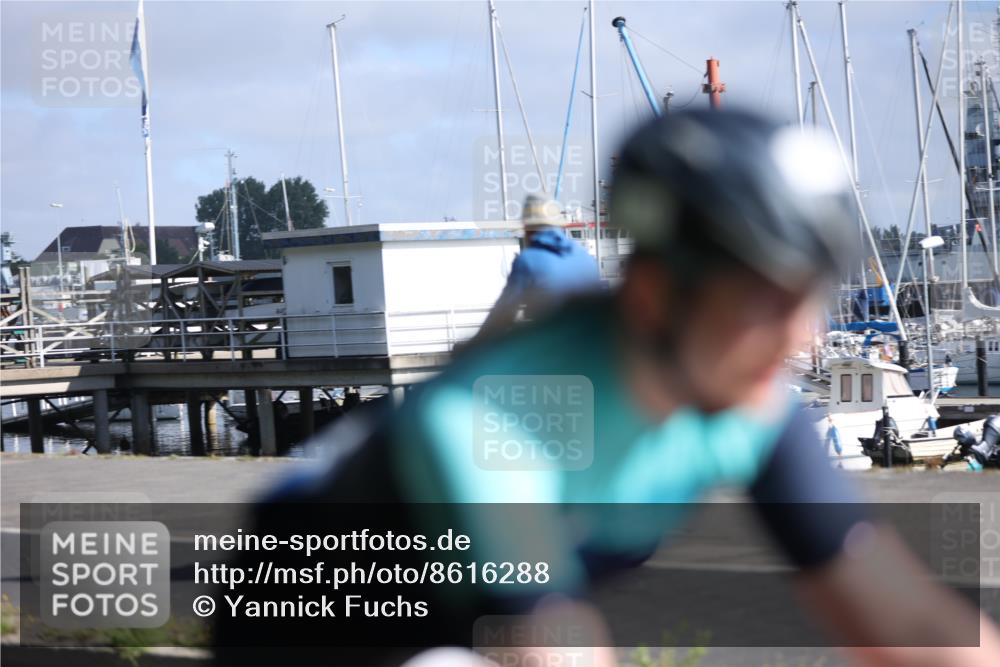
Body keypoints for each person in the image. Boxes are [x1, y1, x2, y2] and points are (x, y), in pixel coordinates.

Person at [217, 109, 1000, 666]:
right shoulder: (490, 422)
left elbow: (901, 614)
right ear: (657, 295)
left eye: (811, 297)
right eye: (767, 302)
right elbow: (552, 647)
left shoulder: (745, 398)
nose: (800, 336)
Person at [475, 194, 601, 340]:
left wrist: (476, 344)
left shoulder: (528, 261)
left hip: (555, 346)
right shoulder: (585, 257)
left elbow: (503, 313)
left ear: (527, 228)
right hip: (595, 344)